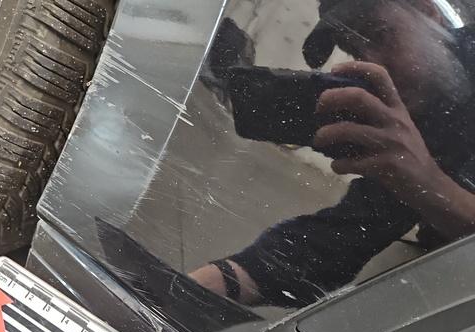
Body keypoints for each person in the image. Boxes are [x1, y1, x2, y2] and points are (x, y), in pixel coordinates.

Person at [190, 0, 475, 308]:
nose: (374, 65)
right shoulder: (420, 120)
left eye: (381, 35)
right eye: (355, 51)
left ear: (428, 11)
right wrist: (195, 287)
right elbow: (339, 239)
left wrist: (428, 183)